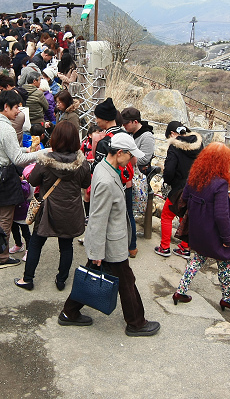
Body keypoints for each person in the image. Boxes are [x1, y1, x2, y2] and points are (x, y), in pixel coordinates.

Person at [58, 133, 161, 336]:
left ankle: (69, 312)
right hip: (110, 243)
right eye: (130, 155)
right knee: (125, 281)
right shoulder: (106, 179)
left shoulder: (107, 168)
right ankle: (136, 323)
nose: (133, 160)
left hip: (111, 241)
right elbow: (97, 218)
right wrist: (96, 251)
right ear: (119, 152)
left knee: (99, 276)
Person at [171, 142, 230, 310]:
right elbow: (221, 215)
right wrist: (228, 238)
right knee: (224, 261)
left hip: (198, 229)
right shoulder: (220, 183)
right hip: (213, 232)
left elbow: (185, 198)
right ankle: (227, 299)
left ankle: (181, 291)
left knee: (197, 259)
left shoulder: (194, 176)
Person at [15, 121, 91, 290]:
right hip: (70, 209)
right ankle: (61, 280)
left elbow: (33, 180)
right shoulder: (82, 162)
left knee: (36, 243)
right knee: (66, 246)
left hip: (47, 209)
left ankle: (27, 279)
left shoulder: (45, 161)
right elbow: (86, 183)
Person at [0, 90, 47, 268]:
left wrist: (28, 150)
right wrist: (43, 152)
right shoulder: (6, 128)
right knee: (5, 219)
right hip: (3, 177)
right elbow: (17, 160)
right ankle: (2, 257)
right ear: (6, 107)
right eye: (17, 107)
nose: (19, 111)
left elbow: (8, 151)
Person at [156, 122, 203, 259]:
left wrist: (169, 182)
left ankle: (164, 247)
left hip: (179, 188)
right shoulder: (199, 144)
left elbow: (169, 171)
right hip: (196, 187)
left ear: (172, 134)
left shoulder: (174, 147)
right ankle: (185, 247)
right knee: (185, 215)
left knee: (166, 216)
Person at [121, 107, 155, 258]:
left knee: (129, 213)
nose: (124, 126)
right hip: (129, 173)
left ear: (135, 122)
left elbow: (144, 158)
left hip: (136, 177)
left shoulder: (147, 136)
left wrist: (126, 156)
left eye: (126, 123)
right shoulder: (129, 133)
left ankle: (132, 245)